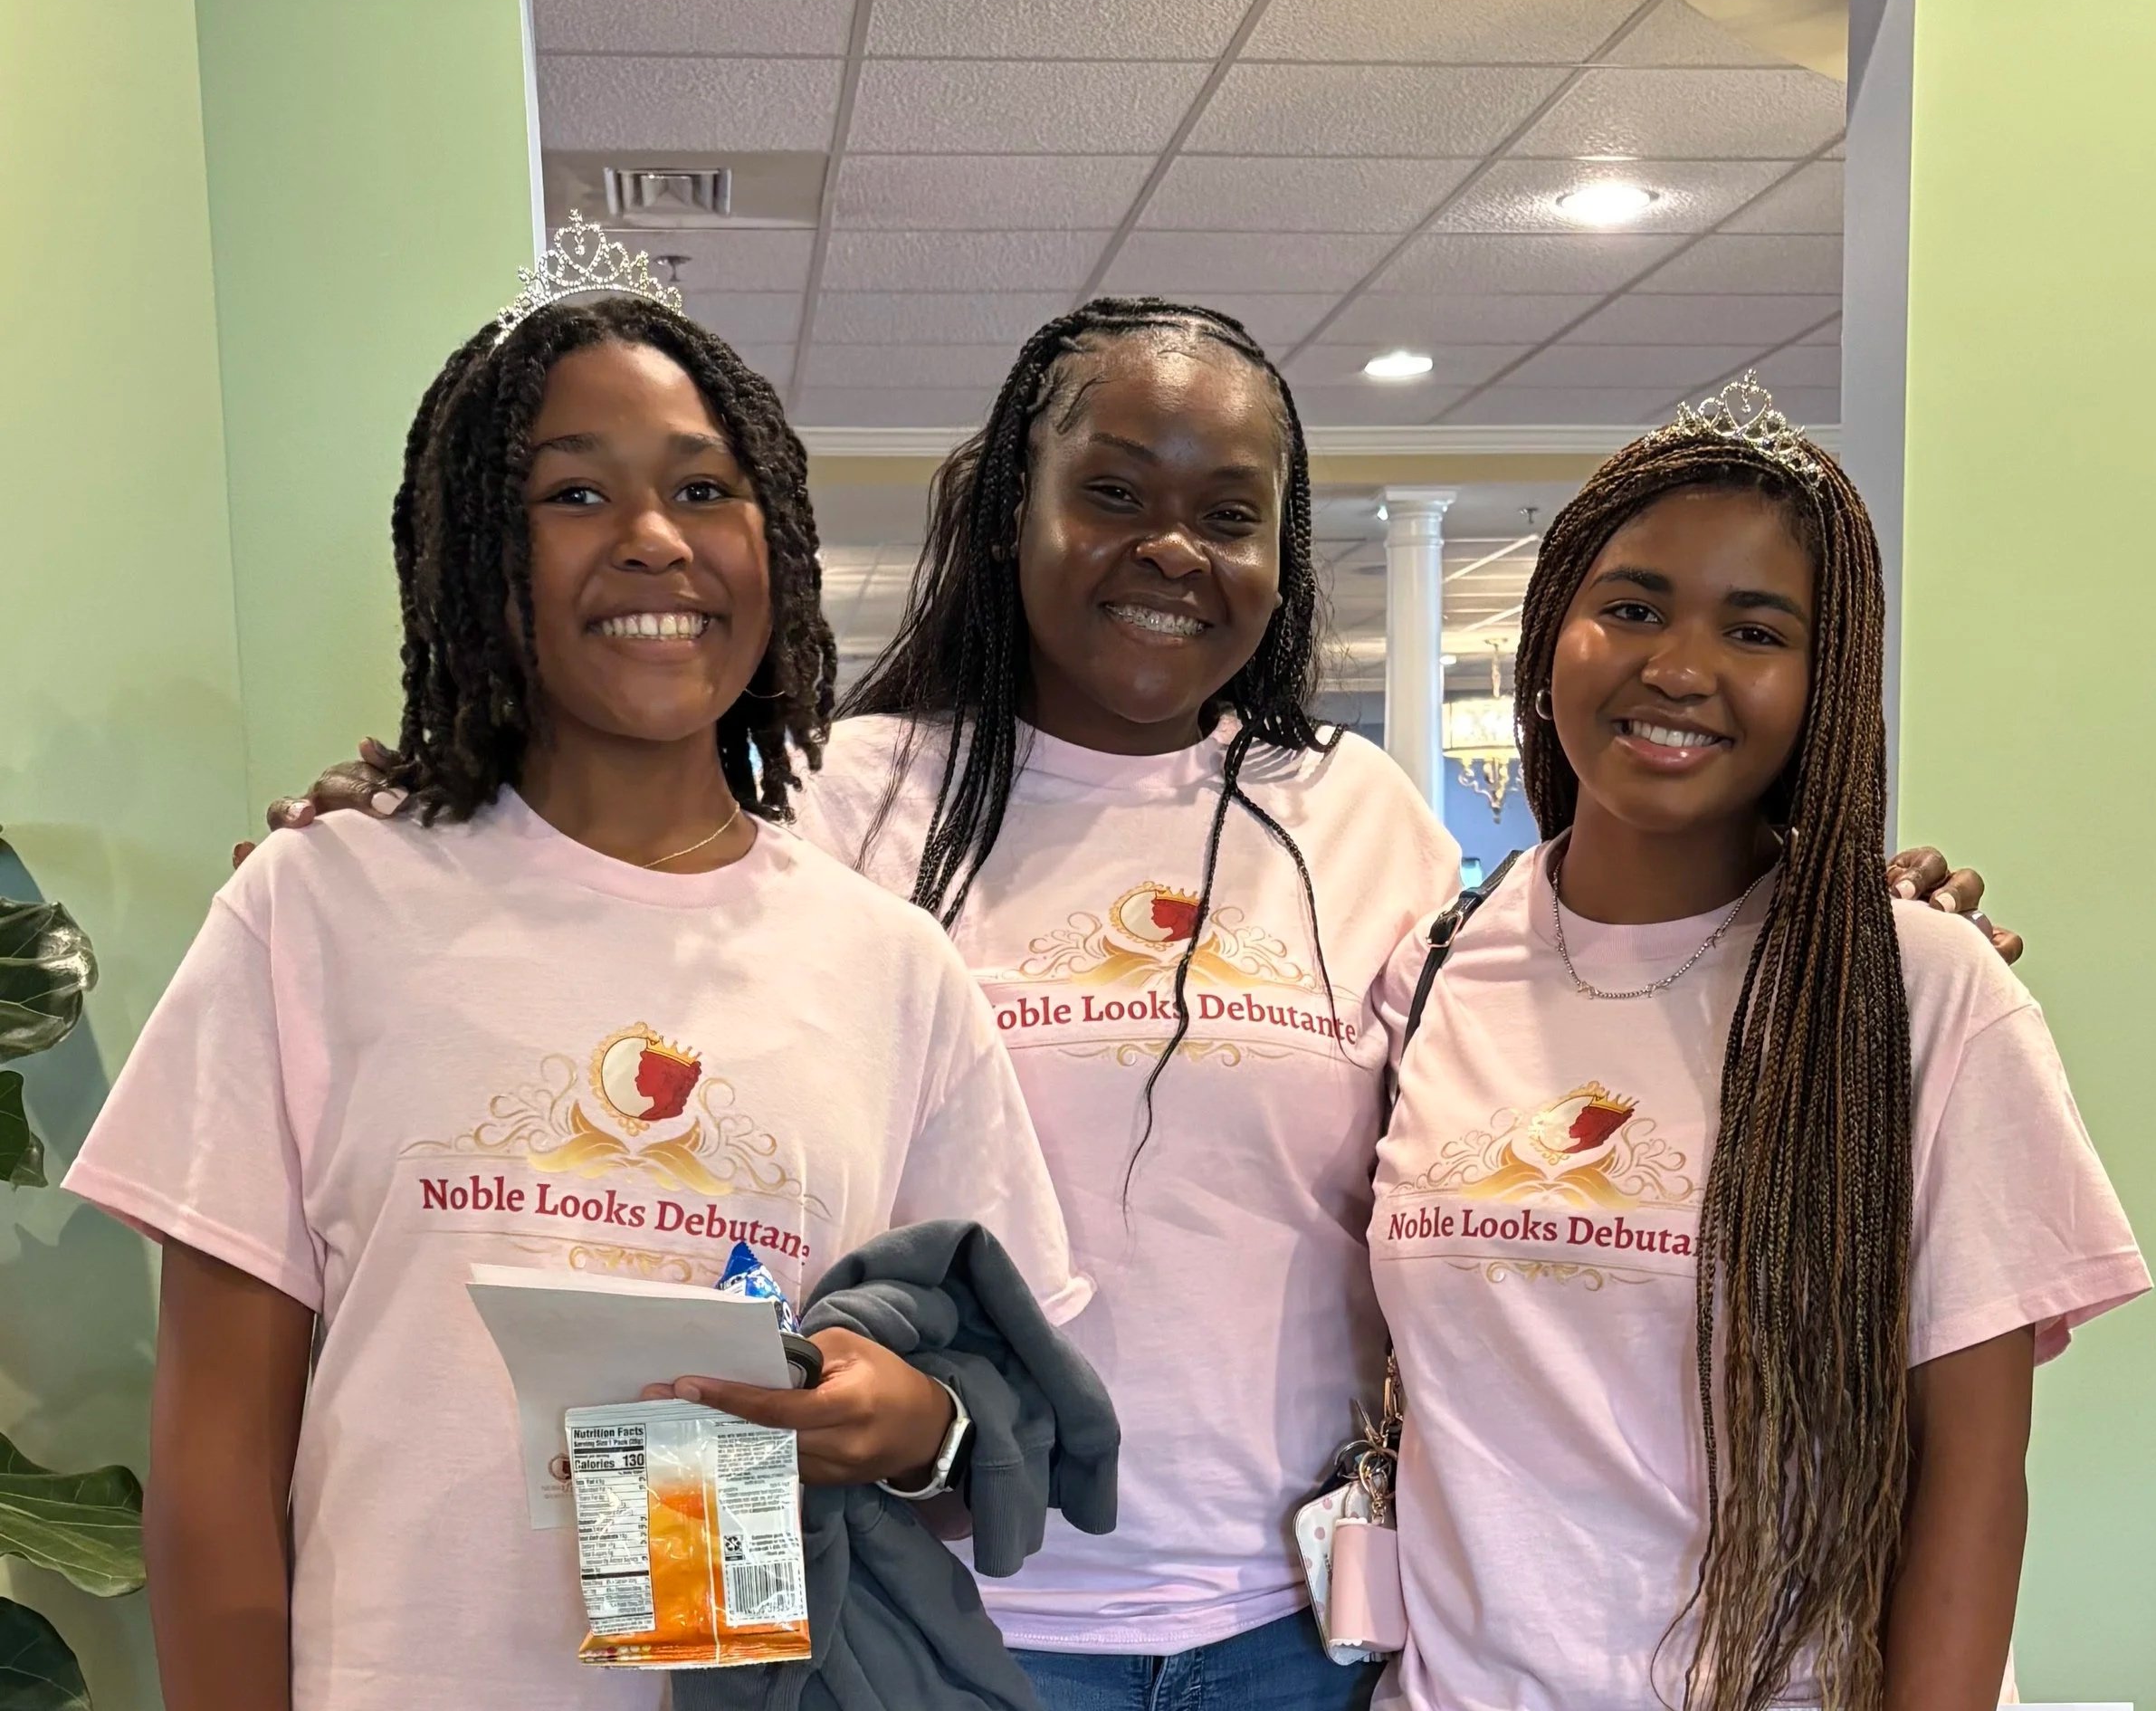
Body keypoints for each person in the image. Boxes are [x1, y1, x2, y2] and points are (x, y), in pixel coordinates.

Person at [261, 303, 2008, 1711]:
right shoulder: (839, 791)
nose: (1169, 547)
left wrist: (1848, 913)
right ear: (1009, 505)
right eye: (1110, 492)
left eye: (1230, 513)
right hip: (935, 1613)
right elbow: (605, 913)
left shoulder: (1363, 822)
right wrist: (418, 828)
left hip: (1301, 1636)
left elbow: (1575, 1015)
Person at [65, 234, 1086, 1711]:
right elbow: (215, 1454)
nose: (653, 538)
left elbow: (984, 1431)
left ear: (774, 545)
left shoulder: (885, 966)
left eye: (703, 488)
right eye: (573, 492)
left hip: (749, 1670)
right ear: (480, 550)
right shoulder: (326, 906)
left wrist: (901, 1421)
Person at [1367, 381, 2149, 1711]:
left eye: (1755, 630)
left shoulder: (1916, 987)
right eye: (1633, 607)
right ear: (1550, 633)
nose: (1679, 667)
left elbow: (1972, 1480)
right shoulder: (1434, 970)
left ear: (1823, 681)